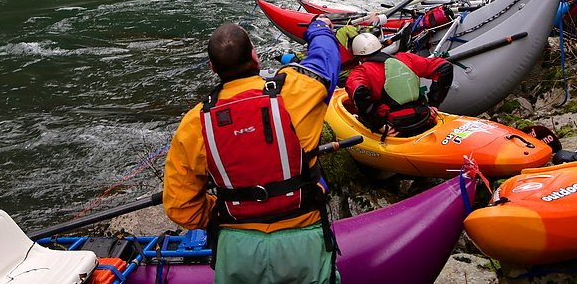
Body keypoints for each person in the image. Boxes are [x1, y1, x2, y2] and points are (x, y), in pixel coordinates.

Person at [164, 17, 342, 284]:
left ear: (213, 68)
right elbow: (326, 59)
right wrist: (319, 29)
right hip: (303, 240)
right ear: (255, 56)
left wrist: (226, 210)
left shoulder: (194, 124)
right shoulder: (300, 90)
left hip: (237, 250)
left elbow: (181, 208)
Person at [343, 32, 453, 138]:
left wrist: (379, 125)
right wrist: (434, 103)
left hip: (394, 127)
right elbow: (444, 67)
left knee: (358, 115)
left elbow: (358, 92)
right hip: (423, 117)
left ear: (359, 57)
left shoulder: (360, 72)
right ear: (380, 48)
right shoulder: (406, 58)